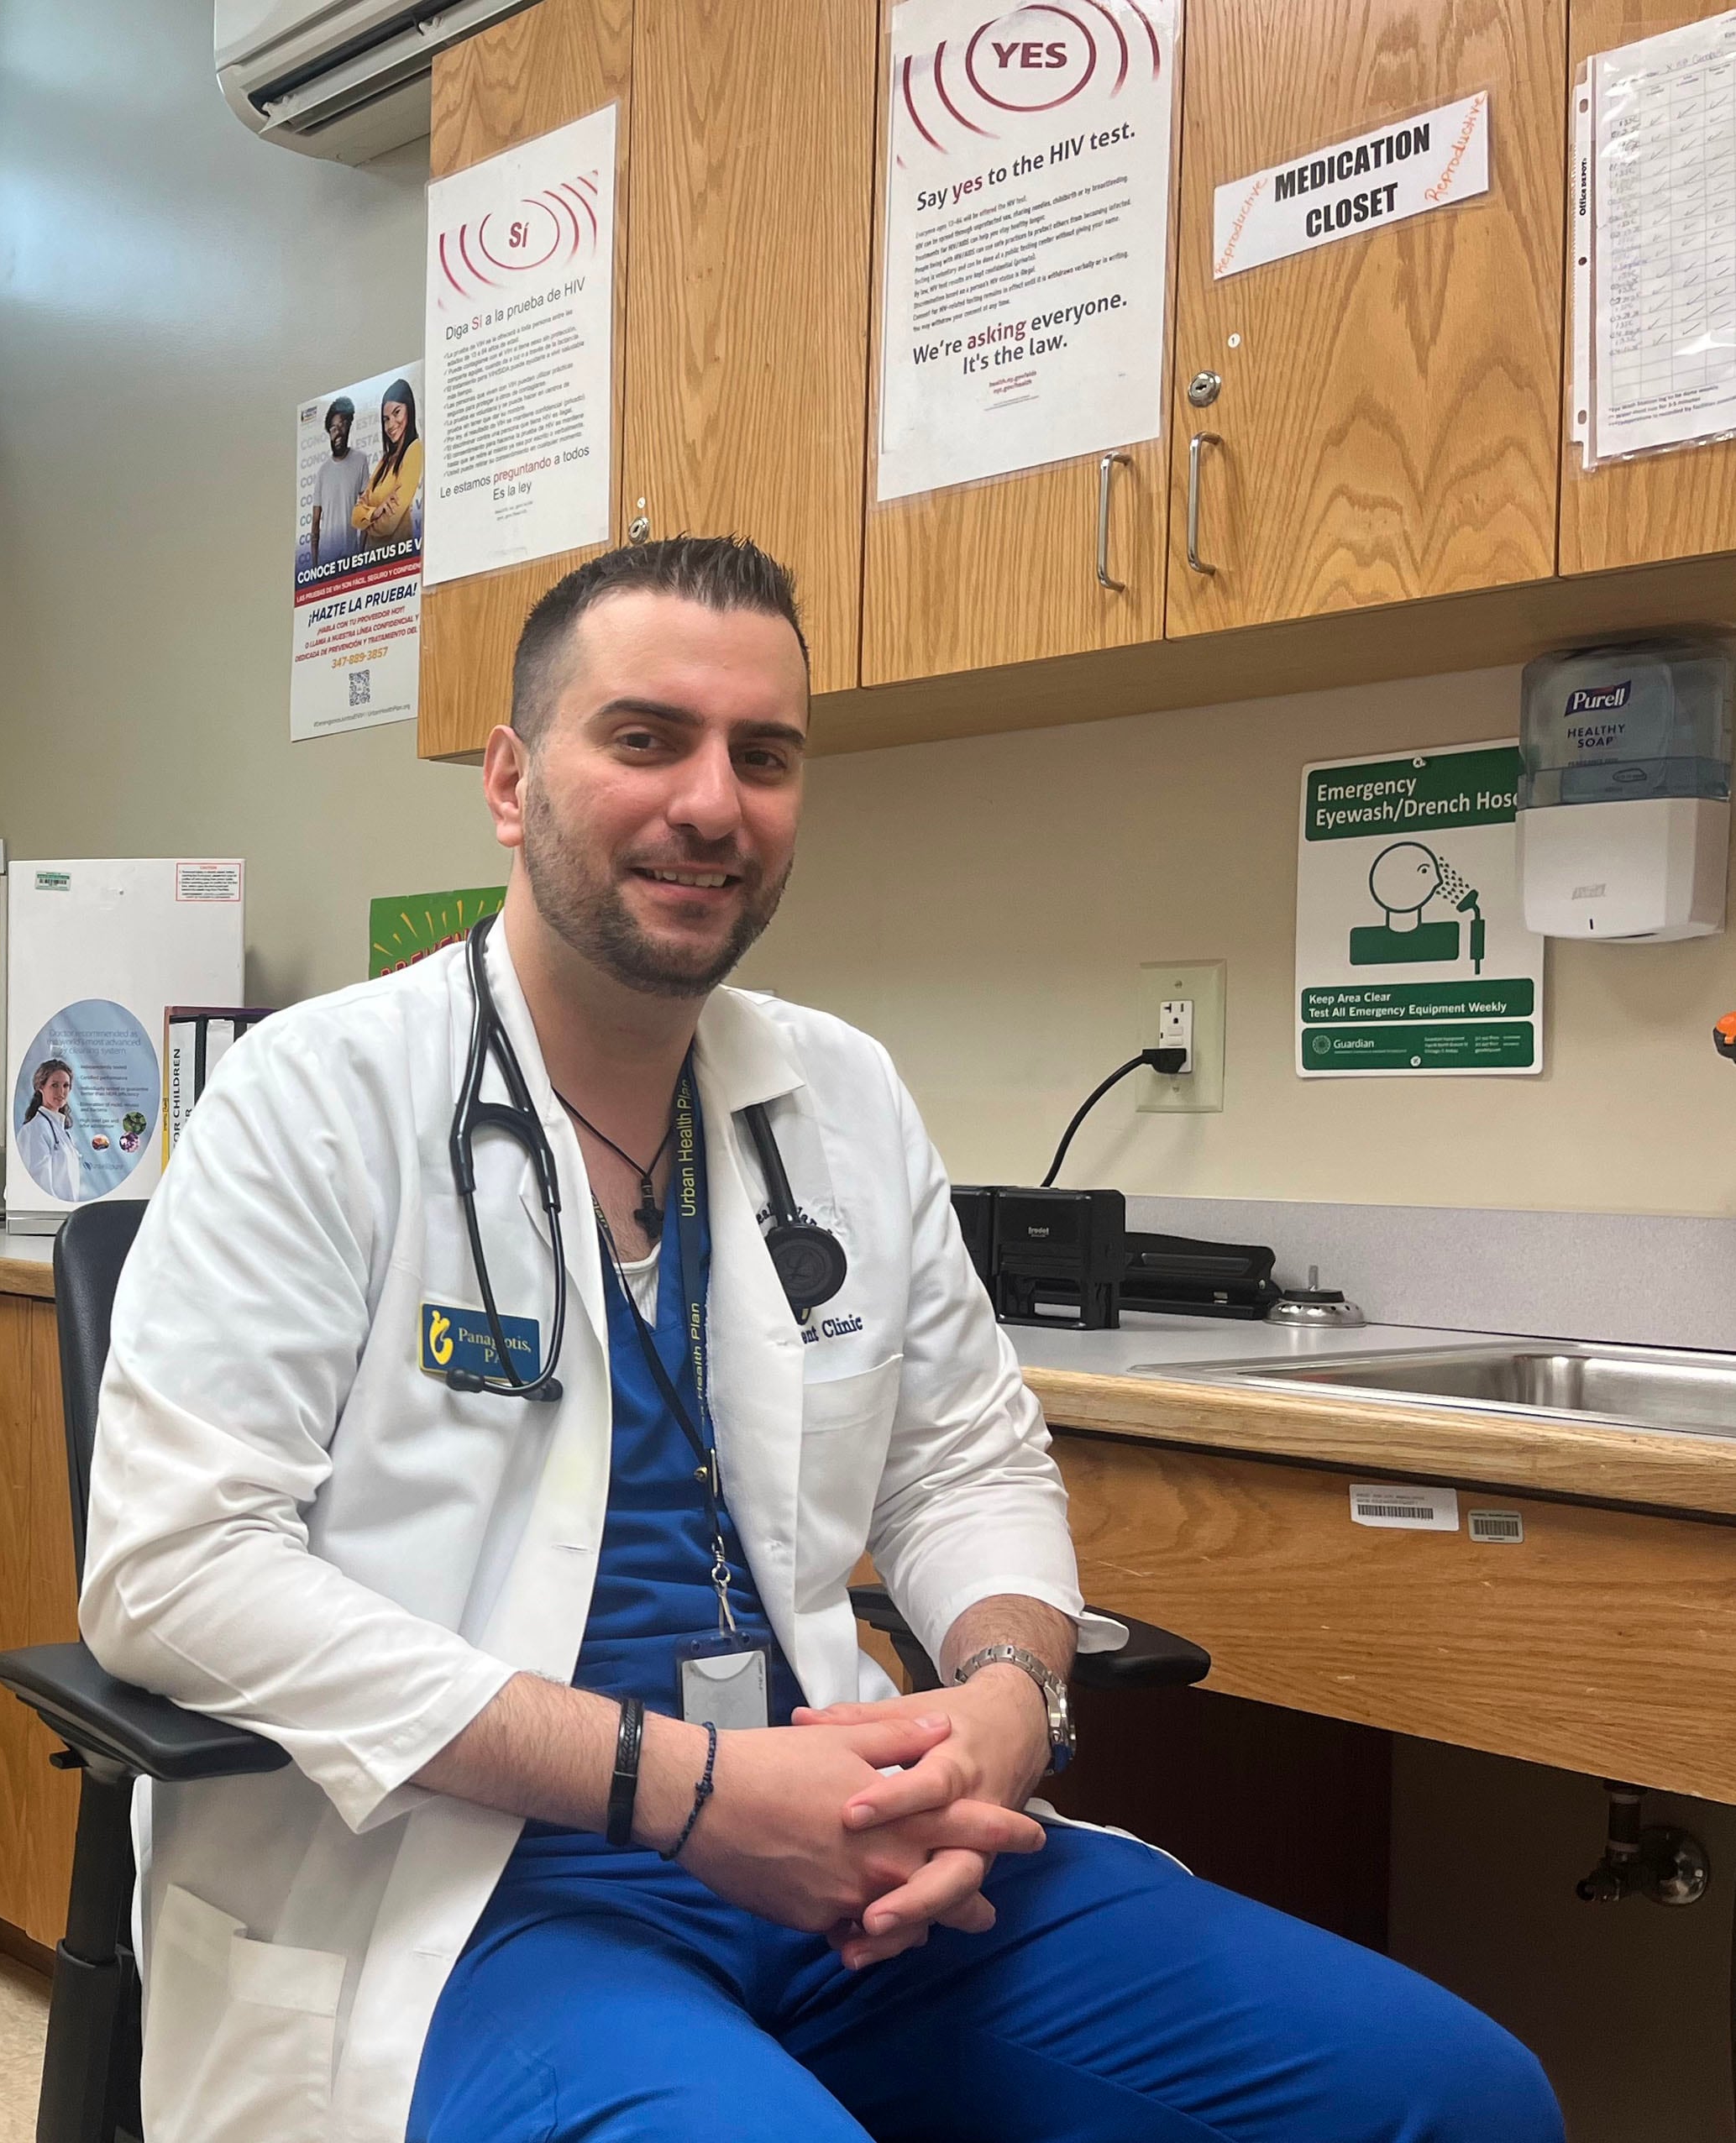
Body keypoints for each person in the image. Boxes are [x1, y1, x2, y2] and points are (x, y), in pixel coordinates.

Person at [80, 537, 1560, 2143]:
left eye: (762, 755)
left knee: (1453, 2098)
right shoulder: (316, 1099)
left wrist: (1006, 1695)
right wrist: (684, 1790)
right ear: (510, 781)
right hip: (473, 1895)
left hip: (853, 1858)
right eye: (644, 737)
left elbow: (965, 1460)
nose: (711, 802)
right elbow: (173, 1573)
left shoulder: (835, 1094)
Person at [349, 377, 422, 553]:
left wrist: (367, 523)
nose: (390, 425)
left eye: (397, 413)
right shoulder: (386, 460)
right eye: (386, 419)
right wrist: (375, 513)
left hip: (397, 558)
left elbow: (390, 523)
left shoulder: (415, 450)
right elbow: (355, 516)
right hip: (373, 560)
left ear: (409, 410)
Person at [309, 395, 370, 568]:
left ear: (350, 425)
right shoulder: (323, 471)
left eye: (343, 425)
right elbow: (315, 521)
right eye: (334, 428)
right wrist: (315, 567)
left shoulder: (360, 460)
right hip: (326, 562)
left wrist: (361, 554)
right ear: (329, 432)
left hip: (351, 559)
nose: (338, 432)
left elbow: (367, 508)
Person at [18, 1056, 83, 1202]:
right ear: (41, 1087)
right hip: (50, 1214)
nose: (61, 1091)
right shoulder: (35, 1130)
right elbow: (39, 1183)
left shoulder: (62, 1130)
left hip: (66, 1212)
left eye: (66, 1085)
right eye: (54, 1085)